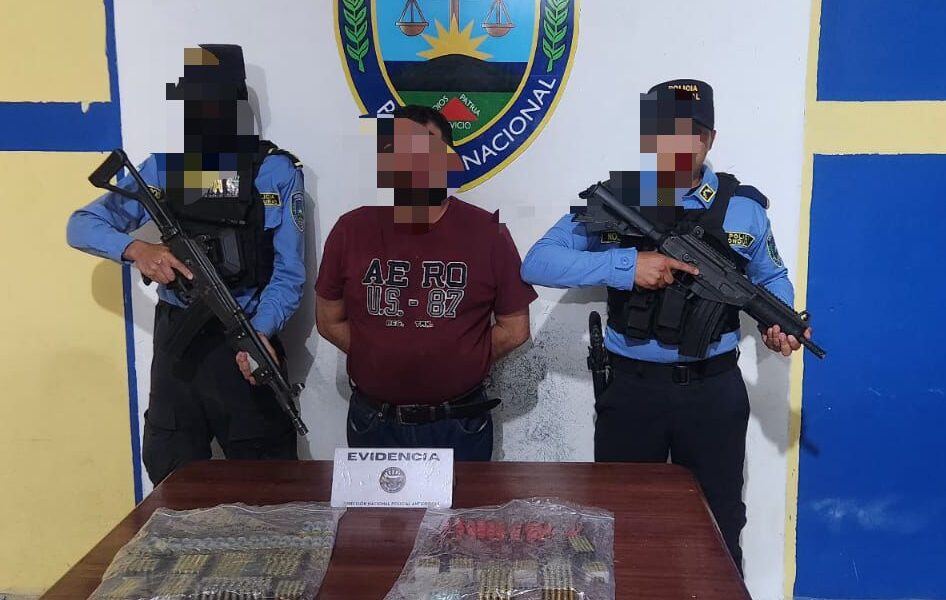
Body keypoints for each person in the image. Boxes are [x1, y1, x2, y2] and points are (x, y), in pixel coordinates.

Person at [520, 79, 809, 571]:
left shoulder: (744, 208)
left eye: (691, 131)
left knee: (719, 523)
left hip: (713, 391)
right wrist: (625, 265)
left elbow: (771, 277)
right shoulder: (616, 198)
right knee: (619, 522)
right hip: (631, 390)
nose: (677, 143)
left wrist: (776, 322)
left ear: (709, 139)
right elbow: (538, 262)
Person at [67, 45, 306, 485]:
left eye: (215, 102)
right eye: (195, 103)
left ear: (235, 104)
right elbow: (80, 225)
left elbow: (289, 274)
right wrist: (138, 251)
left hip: (245, 339)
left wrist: (260, 332)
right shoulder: (162, 170)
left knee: (269, 483)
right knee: (172, 477)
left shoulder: (274, 172)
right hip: (178, 346)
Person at [314, 105, 537, 460]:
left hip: (458, 423)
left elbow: (515, 328)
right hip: (374, 422)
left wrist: (462, 360)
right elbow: (329, 320)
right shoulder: (351, 230)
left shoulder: (488, 233)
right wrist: (378, 354)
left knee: (464, 502)